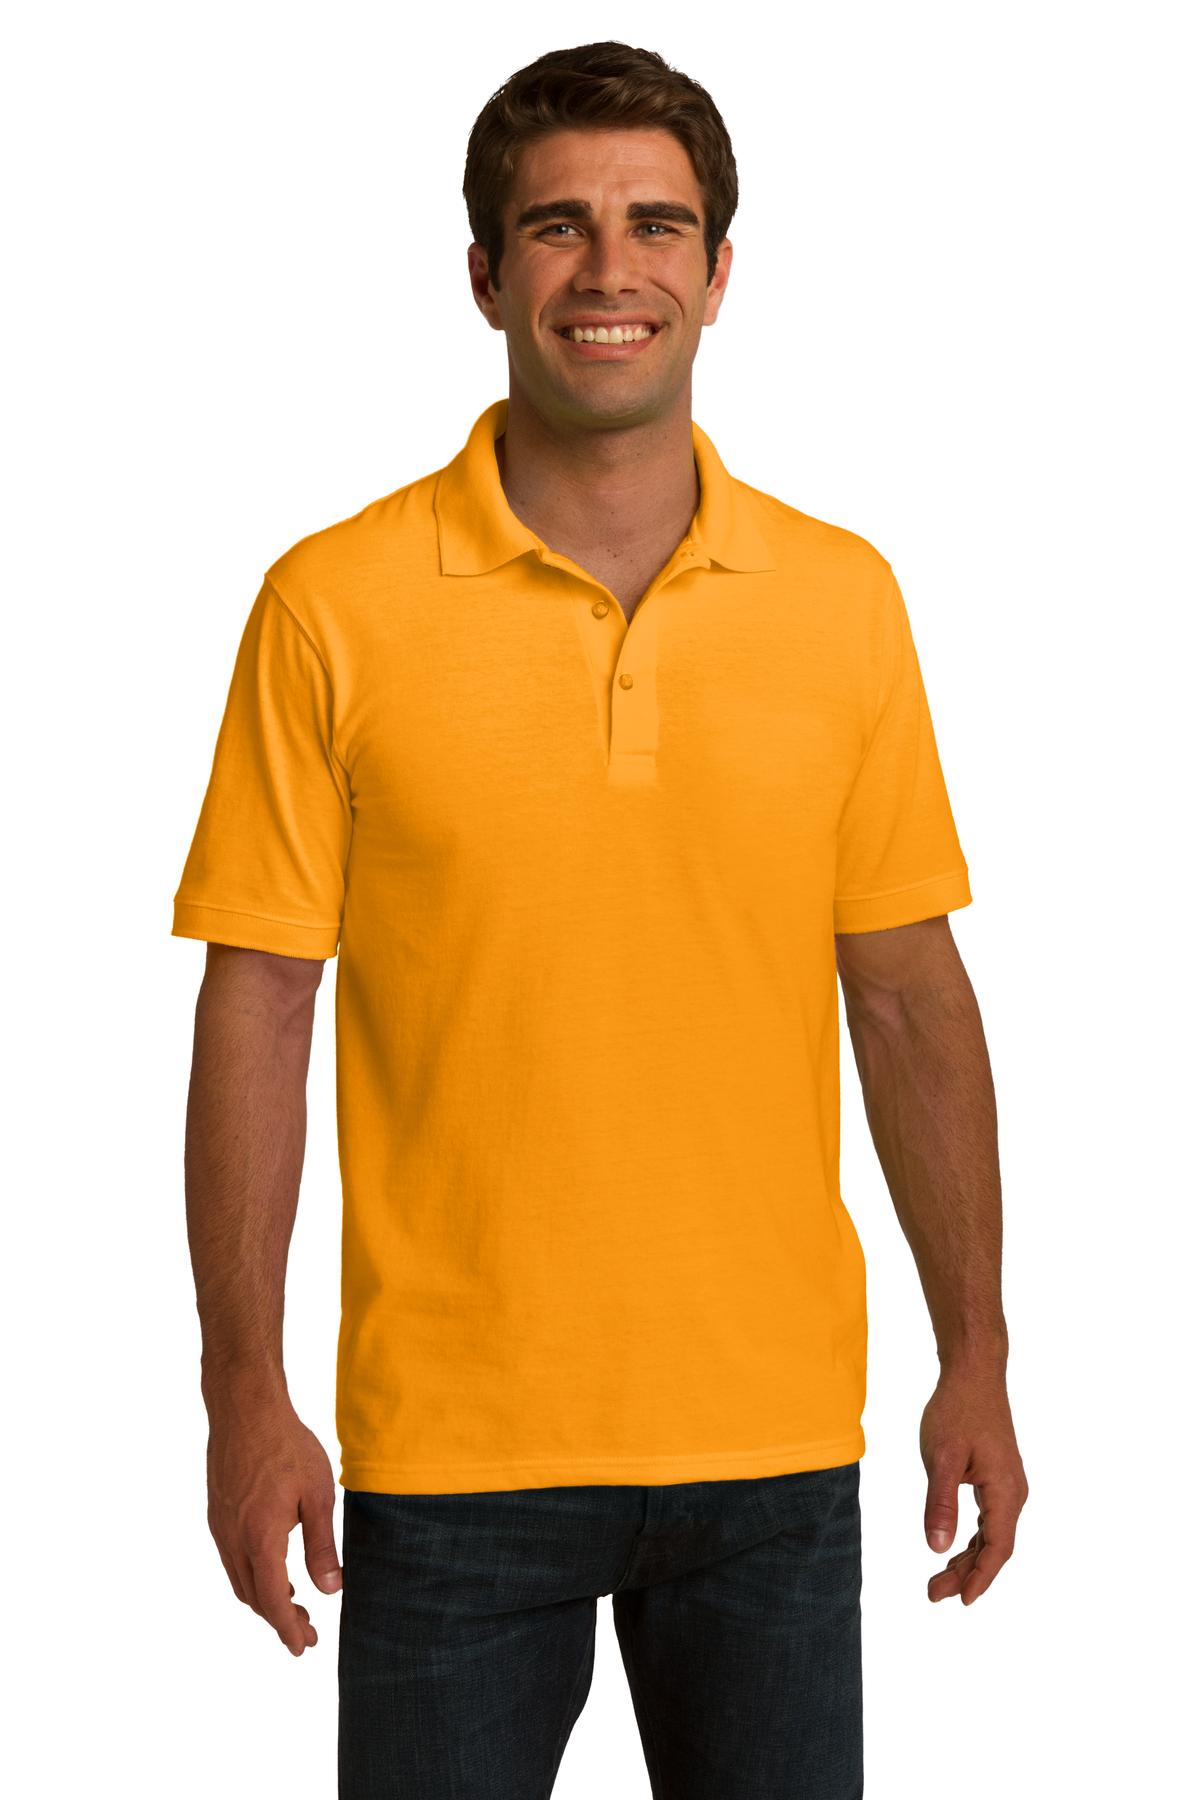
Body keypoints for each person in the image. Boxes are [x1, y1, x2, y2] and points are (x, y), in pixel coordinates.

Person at [172, 39, 1027, 1799]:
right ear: (486, 276)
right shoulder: (331, 607)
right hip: (451, 1453)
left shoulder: (844, 604)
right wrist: (242, 1391)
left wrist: (980, 1355)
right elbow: (258, 1004)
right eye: (557, 227)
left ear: (720, 273)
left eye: (657, 225)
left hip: (774, 1447)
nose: (609, 269)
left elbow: (907, 997)